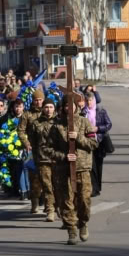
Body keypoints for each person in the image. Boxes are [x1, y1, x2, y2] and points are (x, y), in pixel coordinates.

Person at [42, 95, 97, 245]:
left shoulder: (84, 122)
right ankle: (71, 229)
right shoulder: (56, 126)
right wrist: (63, 156)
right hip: (63, 169)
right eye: (66, 105)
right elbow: (46, 148)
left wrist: (78, 137)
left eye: (71, 105)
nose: (69, 108)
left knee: (84, 200)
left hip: (82, 168)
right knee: (66, 201)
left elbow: (93, 143)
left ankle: (83, 223)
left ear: (76, 107)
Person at [28, 97, 60, 222]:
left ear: (54, 108)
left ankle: (58, 206)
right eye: (46, 107)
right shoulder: (36, 123)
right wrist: (36, 158)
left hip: (57, 159)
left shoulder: (59, 122)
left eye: (51, 107)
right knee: (47, 186)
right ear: (42, 108)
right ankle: (50, 210)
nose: (48, 109)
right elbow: (33, 141)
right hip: (42, 159)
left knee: (57, 185)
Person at [81, 92, 112, 197]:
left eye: (90, 100)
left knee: (99, 166)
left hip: (99, 141)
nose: (89, 103)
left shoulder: (100, 111)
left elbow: (108, 124)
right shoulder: (83, 112)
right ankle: (93, 188)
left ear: (94, 101)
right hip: (88, 142)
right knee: (91, 166)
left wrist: (98, 129)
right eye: (87, 101)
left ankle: (98, 186)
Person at [21, 89, 45, 214]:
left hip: (47, 151)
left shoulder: (49, 112)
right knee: (34, 179)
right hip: (33, 151)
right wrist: (26, 143)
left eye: (40, 99)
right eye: (36, 100)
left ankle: (49, 205)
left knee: (48, 179)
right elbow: (21, 130)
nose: (38, 102)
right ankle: (34, 203)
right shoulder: (27, 114)